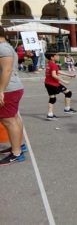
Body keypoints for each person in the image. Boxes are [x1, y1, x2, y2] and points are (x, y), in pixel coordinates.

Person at [0, 26, 26, 166]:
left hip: (8, 90)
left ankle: (16, 154)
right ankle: (18, 147)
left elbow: (7, 70)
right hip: (11, 89)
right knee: (14, 118)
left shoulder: (2, 49)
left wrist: (1, 90)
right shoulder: (6, 47)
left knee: (8, 121)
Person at [44, 52, 77, 120]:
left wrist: (69, 75)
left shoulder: (49, 63)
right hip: (53, 84)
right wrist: (64, 81)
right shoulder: (53, 65)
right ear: (52, 57)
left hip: (47, 83)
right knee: (68, 93)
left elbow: (58, 71)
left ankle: (50, 115)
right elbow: (54, 75)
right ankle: (67, 109)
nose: (58, 56)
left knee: (52, 99)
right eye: (56, 55)